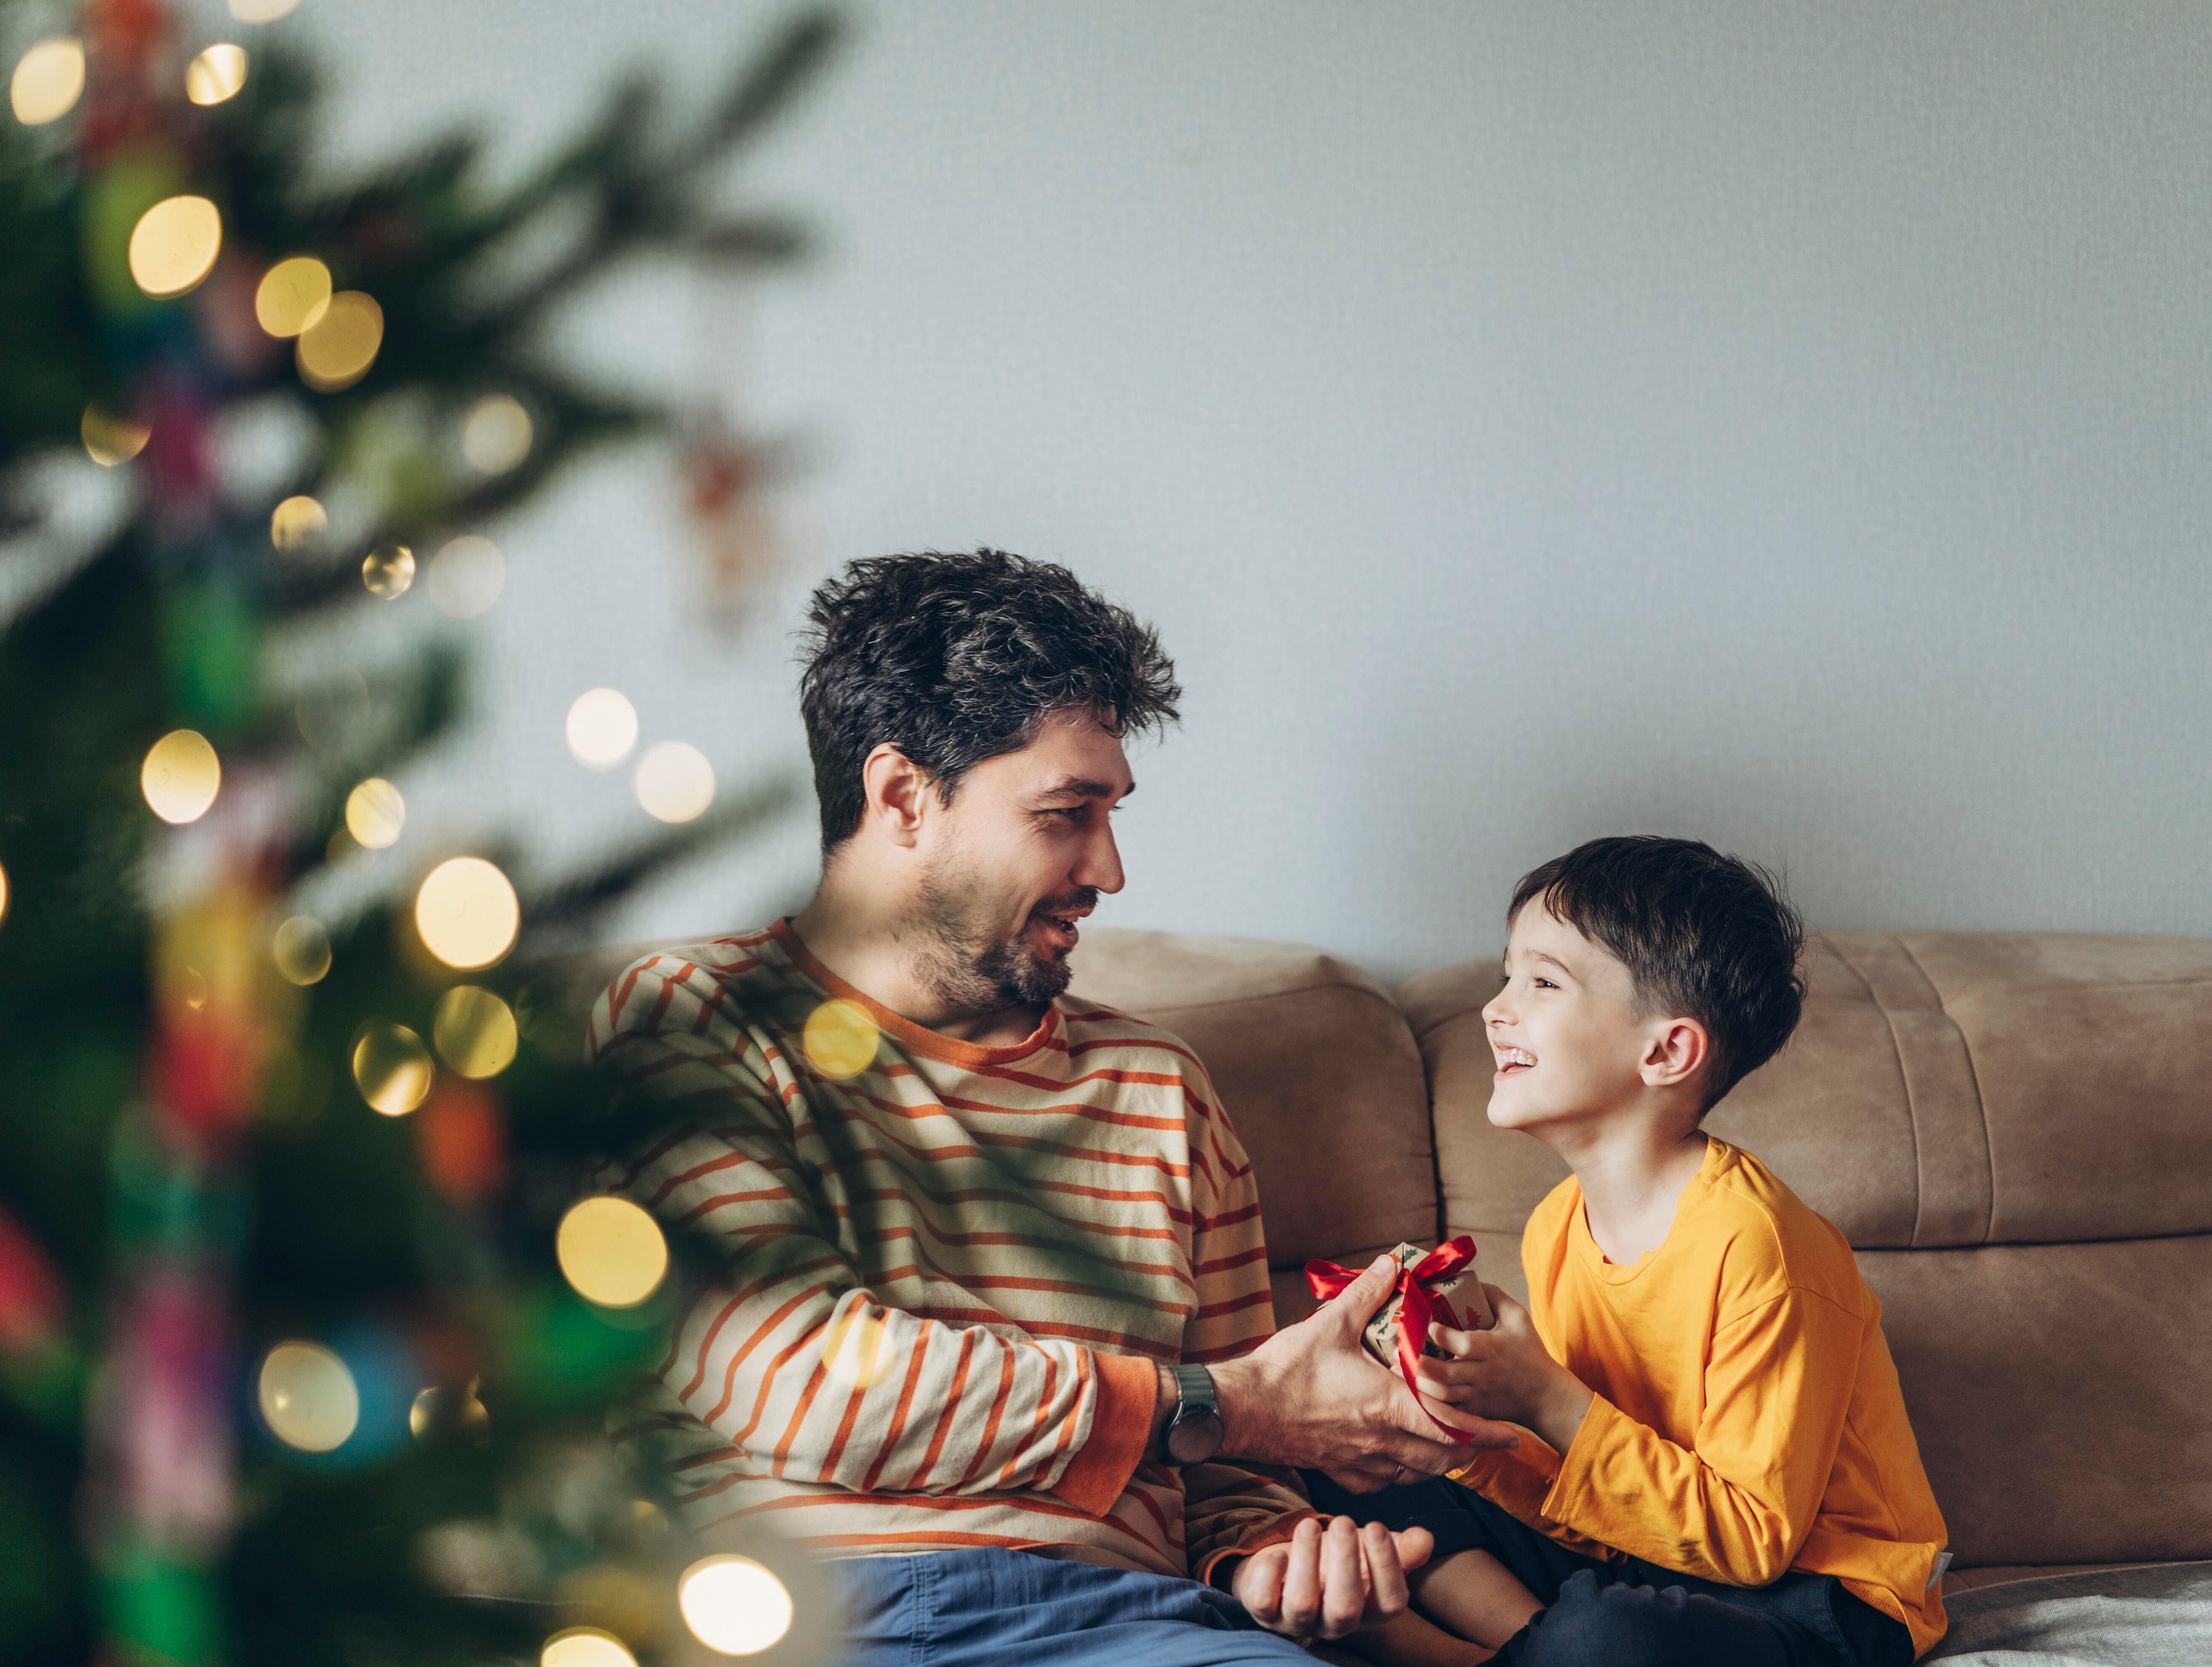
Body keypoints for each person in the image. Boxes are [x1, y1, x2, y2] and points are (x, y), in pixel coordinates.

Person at [587, 549, 1514, 1664]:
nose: (1109, 869)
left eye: (1111, 814)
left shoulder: (1159, 1089)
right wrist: (1218, 1404)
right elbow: (801, 1379)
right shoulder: (693, 1018)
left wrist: (1271, 1555)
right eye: (1067, 814)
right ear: (902, 798)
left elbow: (1234, 1470)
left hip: (1131, 1627)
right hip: (798, 1619)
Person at [1310, 837, 1949, 1667]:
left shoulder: (1763, 1246)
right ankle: (1528, 1648)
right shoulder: (1556, 1224)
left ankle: (1495, 1653)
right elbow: (1595, 1498)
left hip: (1819, 1594)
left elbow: (1752, 1542)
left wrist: (1548, 1396)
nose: (1495, 1008)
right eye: (1507, 975)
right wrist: (1459, 1418)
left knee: (1613, 1634)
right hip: (1645, 1550)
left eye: (1542, 982)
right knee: (1353, 1457)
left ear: (1666, 1052)